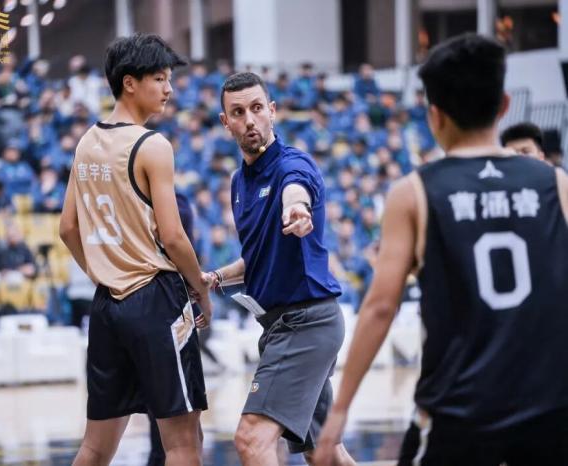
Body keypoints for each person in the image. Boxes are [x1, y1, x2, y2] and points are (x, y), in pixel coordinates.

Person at [314, 33, 568, 466]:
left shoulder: (414, 192)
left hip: (458, 412)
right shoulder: (555, 184)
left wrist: (339, 411)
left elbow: (380, 307)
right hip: (547, 409)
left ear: (434, 115)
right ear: (504, 105)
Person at [59, 33, 211, 466]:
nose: (169, 89)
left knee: (95, 447)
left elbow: (67, 228)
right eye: (159, 79)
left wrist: (102, 272)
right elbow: (174, 237)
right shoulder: (153, 145)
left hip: (107, 305)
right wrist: (200, 287)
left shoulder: (86, 142)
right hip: (155, 298)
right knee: (183, 443)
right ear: (130, 83)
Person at [203, 71, 353, 465]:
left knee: (251, 439)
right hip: (282, 326)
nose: (250, 120)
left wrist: (297, 208)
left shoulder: (293, 164)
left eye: (257, 108)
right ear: (226, 122)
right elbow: (257, 259)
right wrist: (216, 277)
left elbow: (295, 189)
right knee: (325, 454)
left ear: (272, 111)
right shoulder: (239, 183)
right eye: (238, 112)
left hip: (305, 323)